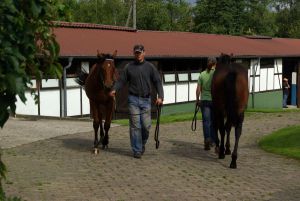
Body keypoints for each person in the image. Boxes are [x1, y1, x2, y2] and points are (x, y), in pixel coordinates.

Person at [109, 44, 164, 159]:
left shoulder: (150, 67)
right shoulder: (129, 67)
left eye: (140, 52)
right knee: (135, 126)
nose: (138, 55)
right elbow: (121, 81)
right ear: (134, 53)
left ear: (144, 53)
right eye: (136, 53)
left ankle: (142, 143)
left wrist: (160, 97)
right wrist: (114, 89)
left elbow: (158, 81)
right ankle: (137, 150)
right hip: (133, 99)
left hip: (146, 100)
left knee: (146, 126)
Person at [196, 57, 216, 151]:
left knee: (206, 122)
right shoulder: (216, 74)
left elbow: (198, 89)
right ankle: (213, 140)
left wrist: (197, 100)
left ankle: (207, 140)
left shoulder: (202, 74)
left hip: (204, 100)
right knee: (213, 122)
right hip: (214, 101)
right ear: (215, 64)